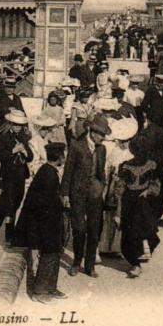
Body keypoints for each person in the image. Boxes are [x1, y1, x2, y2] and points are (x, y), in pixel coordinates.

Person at [14, 142, 68, 304]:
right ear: (58, 157)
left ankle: (51, 287)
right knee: (49, 255)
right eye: (63, 155)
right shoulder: (49, 175)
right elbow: (45, 204)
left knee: (55, 253)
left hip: (48, 221)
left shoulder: (47, 170)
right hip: (46, 224)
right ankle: (40, 291)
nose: (64, 158)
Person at [61, 114, 108, 277]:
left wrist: (102, 186)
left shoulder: (102, 149)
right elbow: (68, 171)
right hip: (78, 193)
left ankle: (89, 266)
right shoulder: (76, 146)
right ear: (92, 132)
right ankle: (76, 262)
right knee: (79, 229)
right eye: (101, 135)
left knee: (94, 230)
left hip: (95, 193)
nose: (103, 139)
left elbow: (101, 171)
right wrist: (65, 194)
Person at [114, 136, 161, 278]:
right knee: (129, 234)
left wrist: (148, 191)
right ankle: (136, 263)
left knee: (145, 231)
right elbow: (120, 189)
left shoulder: (152, 165)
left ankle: (140, 257)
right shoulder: (125, 166)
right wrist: (118, 209)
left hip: (143, 202)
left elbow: (156, 185)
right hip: (130, 202)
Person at [99, 117, 138, 256]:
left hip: (124, 186)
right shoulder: (114, 152)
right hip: (113, 185)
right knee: (109, 214)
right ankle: (105, 246)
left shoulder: (131, 155)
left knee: (121, 214)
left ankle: (117, 246)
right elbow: (108, 167)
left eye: (125, 141)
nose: (122, 143)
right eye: (121, 141)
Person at [0, 109, 33, 244]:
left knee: (18, 200)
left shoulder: (23, 138)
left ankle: (14, 230)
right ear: (10, 124)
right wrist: (13, 151)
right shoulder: (4, 138)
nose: (17, 127)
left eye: (20, 125)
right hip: (9, 175)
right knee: (10, 203)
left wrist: (23, 151)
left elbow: (30, 157)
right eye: (15, 125)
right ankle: (9, 234)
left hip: (21, 175)